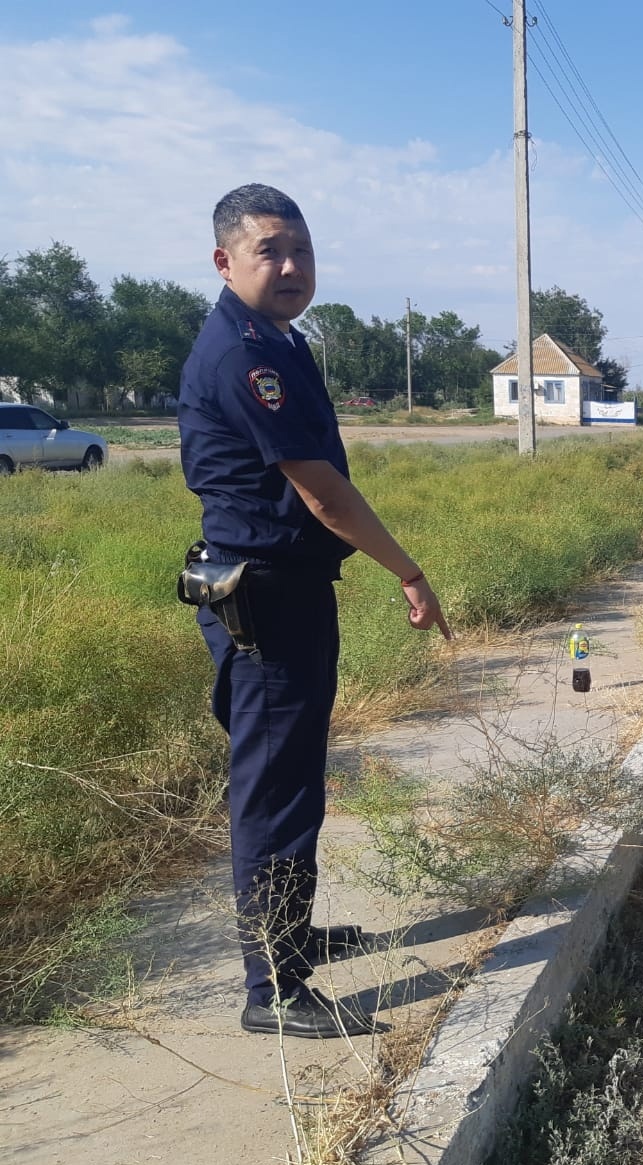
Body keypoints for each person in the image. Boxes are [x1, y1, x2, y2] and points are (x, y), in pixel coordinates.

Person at [178, 183, 451, 1039]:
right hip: (265, 598)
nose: (291, 266)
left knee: (293, 781)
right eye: (270, 251)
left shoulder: (277, 341)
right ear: (226, 261)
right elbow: (325, 496)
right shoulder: (242, 357)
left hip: (285, 590)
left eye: (301, 250)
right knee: (274, 795)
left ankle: (289, 940)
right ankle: (274, 991)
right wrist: (408, 571)